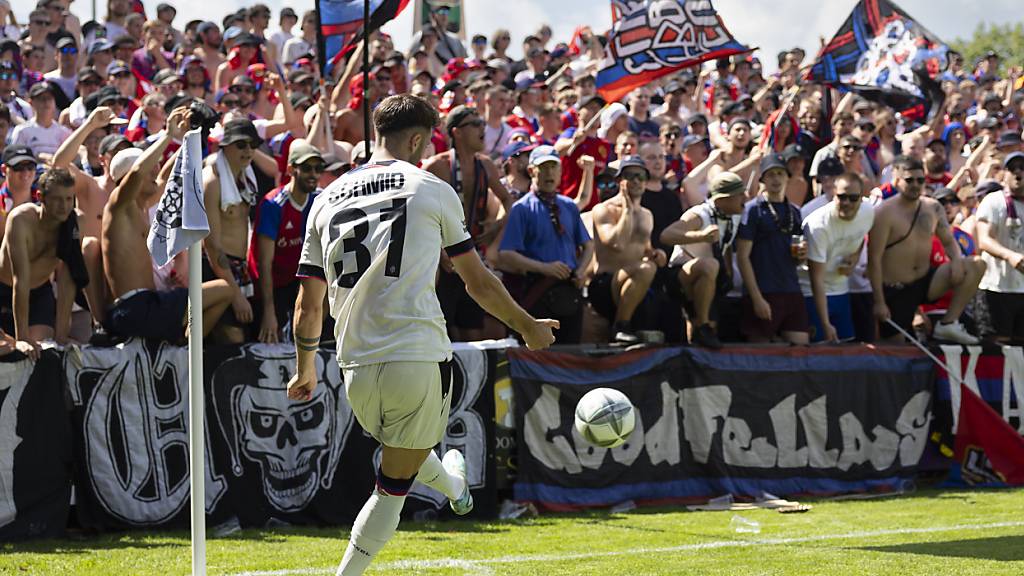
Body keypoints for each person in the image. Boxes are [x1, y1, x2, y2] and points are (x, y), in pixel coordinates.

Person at [286, 93, 555, 576]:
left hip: (353, 366)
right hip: (416, 354)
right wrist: (528, 326)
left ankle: (454, 486)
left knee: (405, 449)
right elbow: (476, 281)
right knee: (393, 485)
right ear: (415, 139)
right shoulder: (430, 188)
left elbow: (308, 305)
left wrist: (304, 367)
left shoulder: (325, 198)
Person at [101, 107, 234, 343]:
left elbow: (165, 176)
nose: (154, 173)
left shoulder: (140, 205)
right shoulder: (119, 205)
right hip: (134, 309)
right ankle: (184, 353)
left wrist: (192, 137)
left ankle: (183, 349)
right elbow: (137, 172)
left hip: (146, 305)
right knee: (225, 289)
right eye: (149, 171)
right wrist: (167, 135)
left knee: (224, 291)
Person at [868, 156, 985, 344]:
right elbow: (874, 260)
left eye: (920, 180)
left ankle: (948, 323)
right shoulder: (884, 213)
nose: (915, 185)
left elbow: (948, 241)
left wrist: (955, 260)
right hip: (895, 289)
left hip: (925, 281)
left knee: (976, 265)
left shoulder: (933, 207)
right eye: (909, 180)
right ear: (897, 181)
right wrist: (879, 301)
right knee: (895, 347)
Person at [422, 105, 512, 341]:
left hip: (472, 255)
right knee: (442, 328)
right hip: (443, 260)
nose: (482, 128)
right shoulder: (437, 166)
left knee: (473, 328)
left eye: (482, 123)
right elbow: (417, 211)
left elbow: (507, 199)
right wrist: (439, 251)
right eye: (474, 124)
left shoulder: (486, 165)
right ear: (456, 132)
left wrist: (497, 224)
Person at [498, 145, 594, 344]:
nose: (550, 173)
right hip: (537, 290)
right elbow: (506, 253)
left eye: (554, 167)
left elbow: (588, 245)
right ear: (532, 171)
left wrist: (581, 270)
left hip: (570, 290)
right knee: (541, 351)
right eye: (544, 167)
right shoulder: (522, 209)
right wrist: (544, 268)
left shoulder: (568, 206)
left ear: (560, 171)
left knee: (571, 351)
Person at [0, 168, 80, 359]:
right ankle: (9, 338)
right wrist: (21, 338)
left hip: (38, 294)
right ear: (40, 197)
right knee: (8, 349)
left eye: (69, 199)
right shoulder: (21, 219)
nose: (64, 206)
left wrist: (61, 334)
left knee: (43, 349)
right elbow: (20, 279)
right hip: (4, 288)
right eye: (57, 199)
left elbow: (68, 280)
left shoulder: (71, 223)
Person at [661, 172, 747, 349]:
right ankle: (701, 326)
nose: (744, 198)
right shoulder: (699, 214)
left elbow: (727, 245)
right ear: (723, 199)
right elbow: (666, 236)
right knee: (710, 265)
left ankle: (702, 329)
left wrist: (728, 272)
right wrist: (699, 235)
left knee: (710, 327)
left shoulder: (735, 215)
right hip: (680, 275)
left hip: (708, 277)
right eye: (739, 194)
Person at [249, 139, 322, 344]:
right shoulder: (273, 205)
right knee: (272, 337)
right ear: (291, 169)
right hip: (270, 286)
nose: (314, 174)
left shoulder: (319, 200)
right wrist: (269, 313)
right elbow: (264, 264)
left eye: (319, 168)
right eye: (307, 168)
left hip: (299, 282)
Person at [735, 153, 810, 344]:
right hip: (763, 290)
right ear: (763, 179)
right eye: (771, 175)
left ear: (787, 177)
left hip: (791, 289)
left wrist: (801, 256)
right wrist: (756, 298)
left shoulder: (794, 211)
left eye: (780, 173)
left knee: (801, 346)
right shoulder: (753, 209)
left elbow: (797, 257)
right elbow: (743, 257)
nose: (776, 179)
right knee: (760, 354)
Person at [589, 156, 665, 342]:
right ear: (619, 181)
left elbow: (644, 248)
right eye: (630, 176)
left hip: (633, 286)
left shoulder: (647, 214)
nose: (636, 181)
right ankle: (620, 325)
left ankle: (627, 325)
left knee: (649, 269)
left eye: (641, 176)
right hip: (605, 285)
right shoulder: (603, 209)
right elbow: (617, 244)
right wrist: (627, 210)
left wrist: (656, 254)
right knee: (646, 269)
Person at [202, 118, 261, 343]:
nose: (248, 150)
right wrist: (235, 295)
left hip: (239, 269)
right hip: (215, 270)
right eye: (241, 144)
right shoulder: (212, 182)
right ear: (224, 145)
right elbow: (211, 245)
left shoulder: (245, 176)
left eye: (252, 144)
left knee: (245, 338)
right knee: (231, 337)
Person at [803, 173, 875, 343]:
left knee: (846, 346)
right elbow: (816, 279)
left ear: (862, 197)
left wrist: (855, 259)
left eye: (853, 198)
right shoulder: (817, 225)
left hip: (841, 289)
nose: (847, 203)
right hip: (810, 292)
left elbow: (860, 235)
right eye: (842, 197)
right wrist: (825, 322)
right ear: (833, 194)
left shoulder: (868, 212)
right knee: (819, 349)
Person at [975, 152, 1024, 342]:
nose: (1019, 172)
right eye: (1013, 168)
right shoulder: (993, 201)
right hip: (996, 288)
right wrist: (1009, 255)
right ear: (1005, 173)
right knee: (997, 348)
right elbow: (984, 240)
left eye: (1023, 167)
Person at [10, 81, 71, 159]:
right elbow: (14, 157)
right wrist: (37, 157)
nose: (46, 102)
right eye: (41, 98)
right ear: (31, 103)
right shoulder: (22, 131)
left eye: (49, 98)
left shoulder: (64, 132)